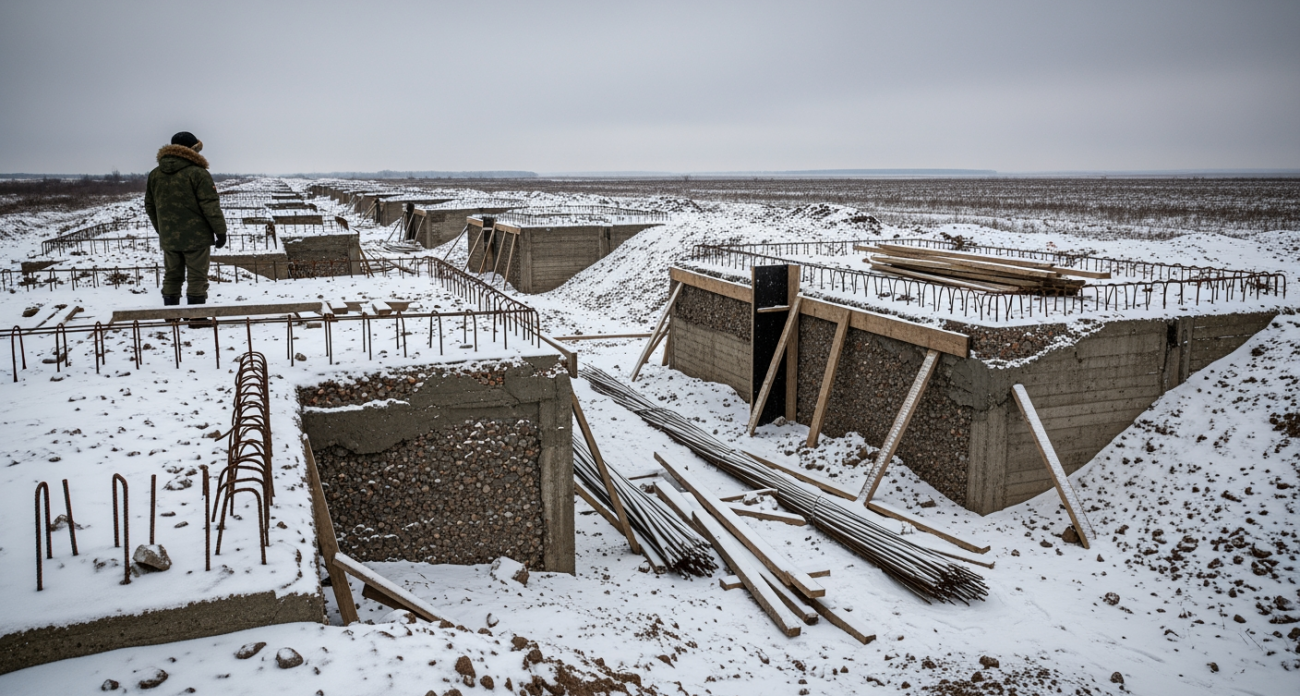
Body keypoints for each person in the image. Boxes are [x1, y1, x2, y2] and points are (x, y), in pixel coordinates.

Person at [145, 131, 227, 306]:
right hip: (197, 236)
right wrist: (220, 231)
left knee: (172, 275)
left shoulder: (155, 174)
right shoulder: (198, 173)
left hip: (169, 236)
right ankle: (196, 318)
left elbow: (150, 206)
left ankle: (171, 316)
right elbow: (210, 205)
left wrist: (163, 230)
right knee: (197, 275)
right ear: (193, 149)